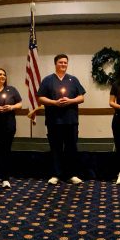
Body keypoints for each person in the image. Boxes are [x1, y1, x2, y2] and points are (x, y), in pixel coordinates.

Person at [37, 54, 86, 185]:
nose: (63, 65)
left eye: (65, 62)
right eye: (60, 62)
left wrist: (70, 101)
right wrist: (54, 102)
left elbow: (81, 97)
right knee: (56, 148)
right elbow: (40, 98)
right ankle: (56, 174)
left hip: (71, 121)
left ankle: (71, 174)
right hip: (54, 121)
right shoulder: (47, 80)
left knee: (71, 148)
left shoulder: (73, 80)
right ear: (55, 64)